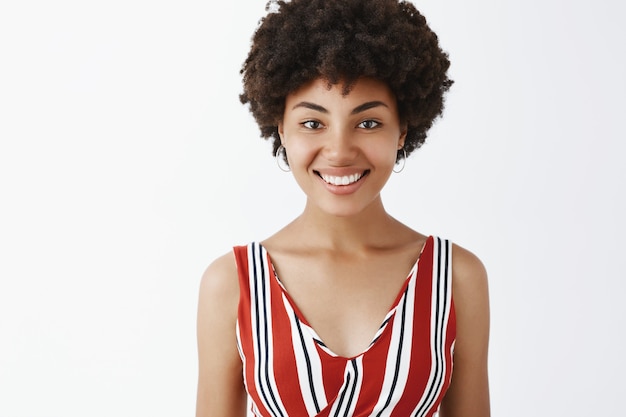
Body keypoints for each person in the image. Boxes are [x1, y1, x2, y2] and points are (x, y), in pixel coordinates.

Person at [196, 0, 490, 416]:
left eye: (367, 122)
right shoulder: (231, 284)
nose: (339, 151)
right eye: (313, 123)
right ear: (280, 128)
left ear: (402, 129)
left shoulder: (457, 278)